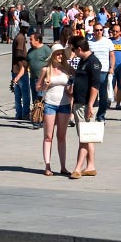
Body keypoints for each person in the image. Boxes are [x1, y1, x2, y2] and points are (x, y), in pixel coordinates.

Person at [37, 44, 73, 176]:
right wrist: (44, 86)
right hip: (50, 104)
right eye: (57, 54)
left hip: (64, 104)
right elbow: (38, 88)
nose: (60, 56)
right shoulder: (46, 69)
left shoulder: (67, 69)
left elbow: (71, 88)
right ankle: (47, 166)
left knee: (62, 136)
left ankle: (63, 167)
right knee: (48, 136)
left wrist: (71, 91)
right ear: (52, 55)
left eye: (61, 53)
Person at [69, 37, 102, 179]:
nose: (73, 52)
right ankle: (90, 166)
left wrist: (90, 105)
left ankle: (77, 168)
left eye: (73, 49)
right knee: (88, 136)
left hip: (86, 105)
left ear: (79, 49)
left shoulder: (93, 62)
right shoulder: (83, 61)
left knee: (84, 137)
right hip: (79, 102)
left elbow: (95, 85)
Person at [87, 22, 114, 122]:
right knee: (92, 95)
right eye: (96, 30)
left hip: (103, 71)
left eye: (100, 30)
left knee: (103, 96)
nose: (99, 32)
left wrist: (111, 68)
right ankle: (90, 114)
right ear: (93, 31)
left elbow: (112, 56)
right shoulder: (90, 43)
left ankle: (101, 115)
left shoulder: (108, 42)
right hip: (92, 72)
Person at [27, 32, 52, 130]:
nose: (29, 41)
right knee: (35, 99)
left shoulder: (46, 50)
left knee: (40, 99)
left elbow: (52, 62)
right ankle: (37, 117)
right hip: (33, 78)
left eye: (31, 39)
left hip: (42, 79)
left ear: (37, 40)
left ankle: (39, 120)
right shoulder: (30, 51)